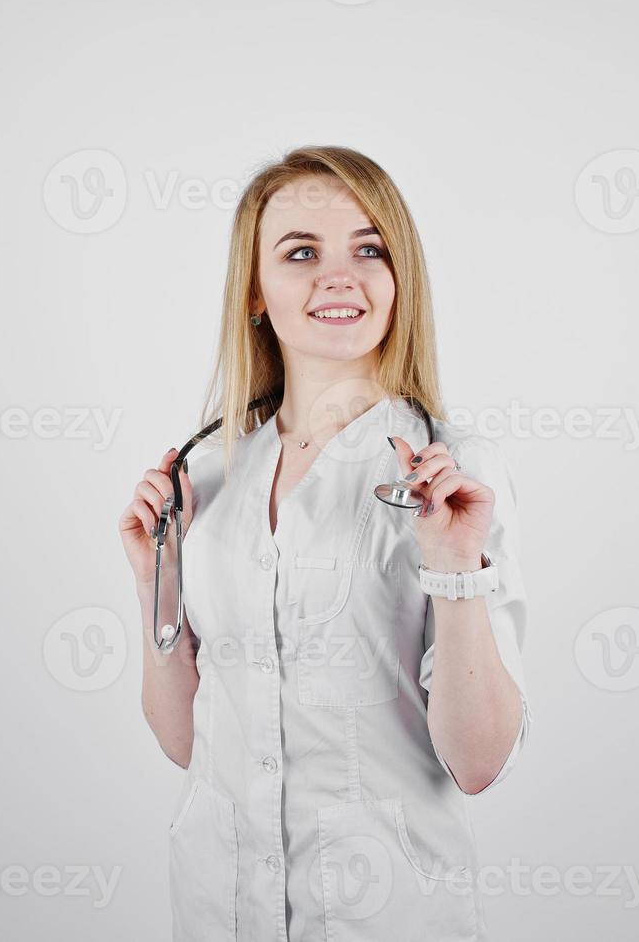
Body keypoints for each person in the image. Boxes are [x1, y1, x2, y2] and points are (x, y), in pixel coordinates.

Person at [116, 145, 533, 941]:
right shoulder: (205, 474)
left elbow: (478, 763)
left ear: (398, 277)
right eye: (301, 252)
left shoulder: (455, 476)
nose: (338, 276)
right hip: (217, 911)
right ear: (254, 292)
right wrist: (155, 581)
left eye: (368, 249)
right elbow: (184, 745)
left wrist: (453, 567)